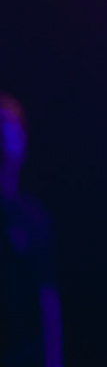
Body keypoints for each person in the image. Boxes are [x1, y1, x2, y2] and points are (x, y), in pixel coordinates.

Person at [0, 93, 61, 367]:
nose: (3, 136)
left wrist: (53, 359)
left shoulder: (34, 219)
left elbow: (46, 299)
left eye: (9, 126)